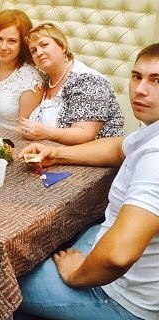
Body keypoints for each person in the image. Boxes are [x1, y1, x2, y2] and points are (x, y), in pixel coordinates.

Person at [16, 43, 159, 320]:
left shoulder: (156, 158)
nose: (140, 89)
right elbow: (118, 147)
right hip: (117, 253)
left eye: (157, 80)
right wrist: (56, 154)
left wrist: (76, 274)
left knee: (7, 282)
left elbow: (117, 256)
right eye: (136, 76)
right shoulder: (150, 131)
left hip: (123, 299)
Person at [18, 22, 124, 145]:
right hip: (50, 151)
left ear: (62, 46)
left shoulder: (88, 80)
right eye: (33, 50)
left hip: (96, 154)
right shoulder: (45, 81)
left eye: (44, 45)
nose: (39, 52)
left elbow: (85, 134)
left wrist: (47, 133)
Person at [0, 9, 43, 129]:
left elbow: (23, 128)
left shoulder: (30, 81)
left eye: (12, 41)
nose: (3, 47)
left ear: (22, 44)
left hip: (15, 138)